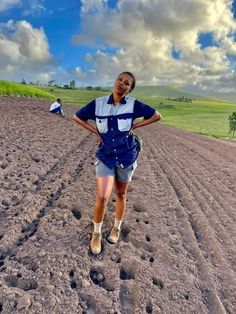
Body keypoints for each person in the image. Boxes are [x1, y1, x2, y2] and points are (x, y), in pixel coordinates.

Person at [73, 71, 161, 255]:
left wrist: (136, 126)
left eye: (126, 83)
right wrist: (95, 132)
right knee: (103, 196)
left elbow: (156, 115)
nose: (121, 84)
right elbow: (77, 117)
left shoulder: (133, 105)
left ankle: (117, 228)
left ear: (129, 89)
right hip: (105, 155)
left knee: (120, 193)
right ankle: (96, 233)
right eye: (119, 80)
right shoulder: (98, 104)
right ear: (115, 82)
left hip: (126, 155)